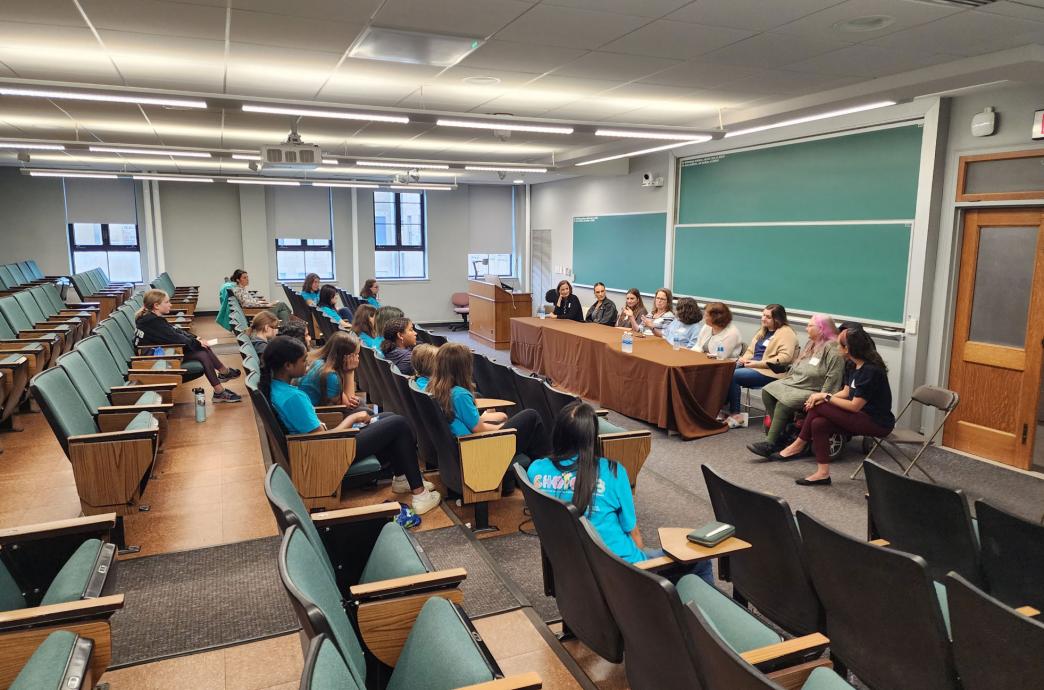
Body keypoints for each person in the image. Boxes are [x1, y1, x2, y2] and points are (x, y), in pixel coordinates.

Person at [527, 401, 714, 586]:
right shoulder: (612, 471)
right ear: (592, 438)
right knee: (701, 560)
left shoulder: (535, 471)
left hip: (575, 569)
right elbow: (635, 536)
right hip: (624, 572)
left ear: (557, 434)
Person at [261, 335, 440, 514]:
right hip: (325, 453)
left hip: (317, 448)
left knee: (387, 417)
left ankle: (402, 478)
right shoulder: (293, 398)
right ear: (288, 365)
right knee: (399, 423)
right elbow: (321, 439)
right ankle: (420, 494)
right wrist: (352, 420)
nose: (307, 363)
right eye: (302, 360)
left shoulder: (279, 388)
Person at [774, 328, 895, 485]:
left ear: (849, 349)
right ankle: (822, 474)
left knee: (818, 406)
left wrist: (825, 396)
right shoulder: (852, 365)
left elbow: (854, 406)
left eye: (840, 345)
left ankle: (798, 444)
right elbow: (845, 392)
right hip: (858, 417)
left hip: (877, 422)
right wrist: (820, 398)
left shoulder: (871, 371)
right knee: (819, 423)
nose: (837, 348)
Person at [428, 343, 550, 493]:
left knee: (522, 427)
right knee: (531, 416)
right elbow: (479, 429)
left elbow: (467, 421)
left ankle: (528, 475)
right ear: (463, 368)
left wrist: (491, 420)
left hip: (464, 448)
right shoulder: (460, 394)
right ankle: (545, 474)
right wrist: (505, 428)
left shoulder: (436, 388)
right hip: (476, 450)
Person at [749, 314, 844, 457]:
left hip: (814, 389)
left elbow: (833, 377)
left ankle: (770, 443)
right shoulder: (812, 343)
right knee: (768, 391)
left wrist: (823, 397)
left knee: (785, 403)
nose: (806, 328)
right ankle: (783, 433)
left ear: (821, 329)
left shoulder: (833, 349)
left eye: (810, 326)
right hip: (796, 382)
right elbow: (798, 364)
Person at [134, 289, 242, 403]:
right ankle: (222, 382)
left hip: (161, 352)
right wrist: (197, 342)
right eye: (166, 302)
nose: (170, 304)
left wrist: (196, 339)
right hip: (154, 359)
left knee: (202, 348)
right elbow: (175, 337)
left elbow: (176, 331)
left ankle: (222, 381)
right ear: (156, 305)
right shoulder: (152, 322)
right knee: (202, 353)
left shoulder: (151, 318)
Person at [724, 304, 798, 429]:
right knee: (724, 371)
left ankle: (736, 415)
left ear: (778, 319)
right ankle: (721, 408)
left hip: (770, 372)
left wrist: (756, 364)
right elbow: (750, 351)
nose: (763, 319)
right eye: (763, 315)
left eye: (768, 317)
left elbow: (785, 358)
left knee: (733, 375)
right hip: (752, 366)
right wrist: (745, 358)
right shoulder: (763, 330)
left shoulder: (787, 333)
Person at [298, 331, 362, 408]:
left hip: (312, 408)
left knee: (361, 402)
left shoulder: (318, 362)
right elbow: (349, 406)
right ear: (345, 357)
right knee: (363, 409)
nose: (357, 359)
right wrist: (349, 372)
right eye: (356, 355)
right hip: (321, 414)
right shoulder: (330, 376)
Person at [229, 269, 293, 324]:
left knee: (283, 312)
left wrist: (261, 302)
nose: (247, 279)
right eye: (244, 278)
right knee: (282, 304)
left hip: (257, 309)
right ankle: (288, 322)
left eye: (247, 277)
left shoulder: (241, 289)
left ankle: (284, 328)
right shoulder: (238, 290)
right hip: (257, 311)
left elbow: (250, 301)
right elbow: (247, 304)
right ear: (238, 280)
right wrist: (267, 305)